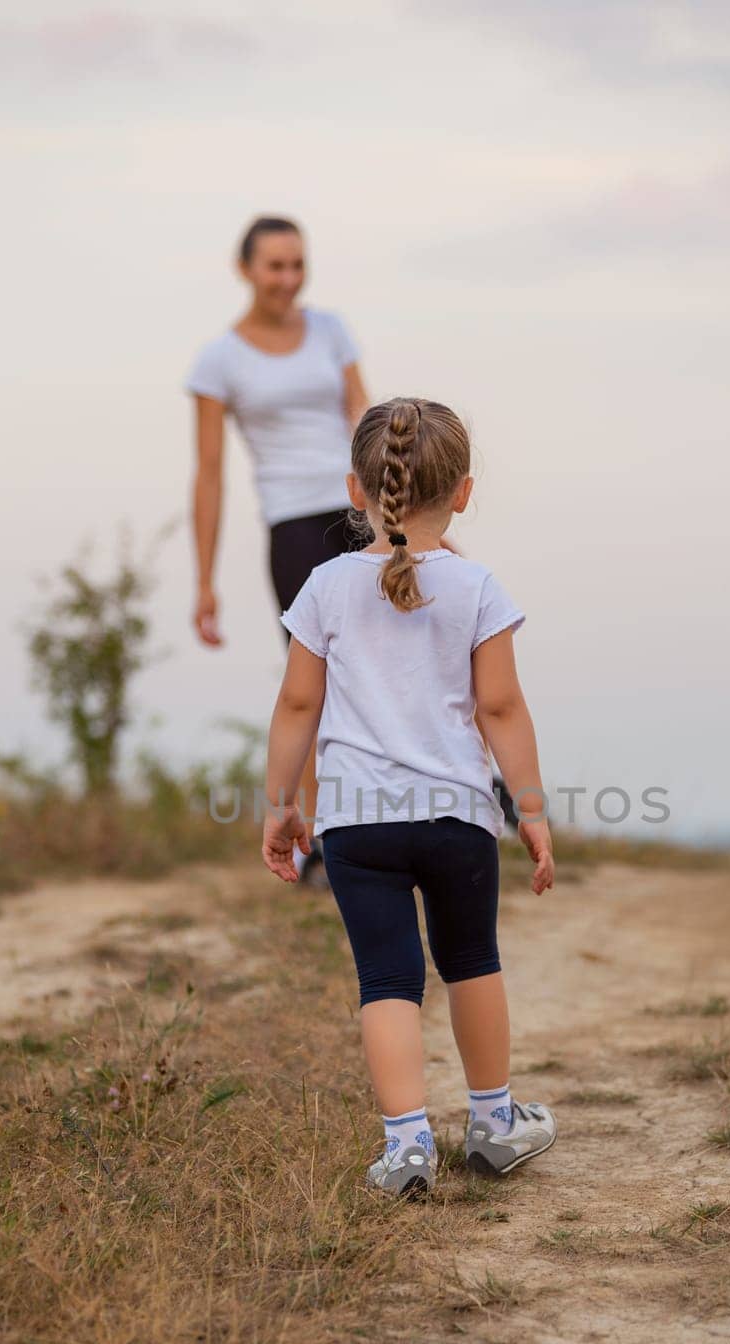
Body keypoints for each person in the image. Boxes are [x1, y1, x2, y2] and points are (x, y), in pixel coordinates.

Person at [259, 397, 557, 1198]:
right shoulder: (476, 587)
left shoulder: (323, 587)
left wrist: (282, 805)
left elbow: (296, 706)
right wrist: (528, 809)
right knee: (470, 962)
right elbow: (499, 708)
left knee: (386, 981)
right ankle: (493, 1124)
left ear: (356, 490)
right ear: (461, 492)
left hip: (356, 824)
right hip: (457, 816)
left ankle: (406, 1148)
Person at [184, 214, 373, 883]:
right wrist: (204, 580)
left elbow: (366, 419)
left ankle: (461, 800)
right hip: (291, 524)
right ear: (246, 270)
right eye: (275, 267)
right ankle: (325, 844)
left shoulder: (330, 329)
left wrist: (404, 513)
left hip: (358, 509)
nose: (288, 279)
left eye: (298, 265)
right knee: (312, 684)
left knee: (408, 650)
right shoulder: (219, 360)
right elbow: (209, 473)